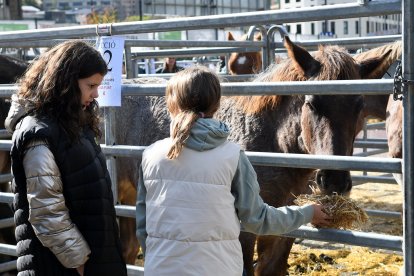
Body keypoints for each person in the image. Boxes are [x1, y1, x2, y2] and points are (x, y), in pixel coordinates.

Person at [135, 66, 332, 275]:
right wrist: (308, 212)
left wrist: (157, 261)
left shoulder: (151, 155)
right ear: (218, 105)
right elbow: (258, 220)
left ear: (170, 104)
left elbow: (143, 224)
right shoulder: (232, 156)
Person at [5, 40, 127, 276]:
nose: (96, 93)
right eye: (90, 85)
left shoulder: (74, 122)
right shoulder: (38, 132)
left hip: (86, 260)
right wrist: (78, 261)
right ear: (66, 82)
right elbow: (46, 210)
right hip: (63, 266)